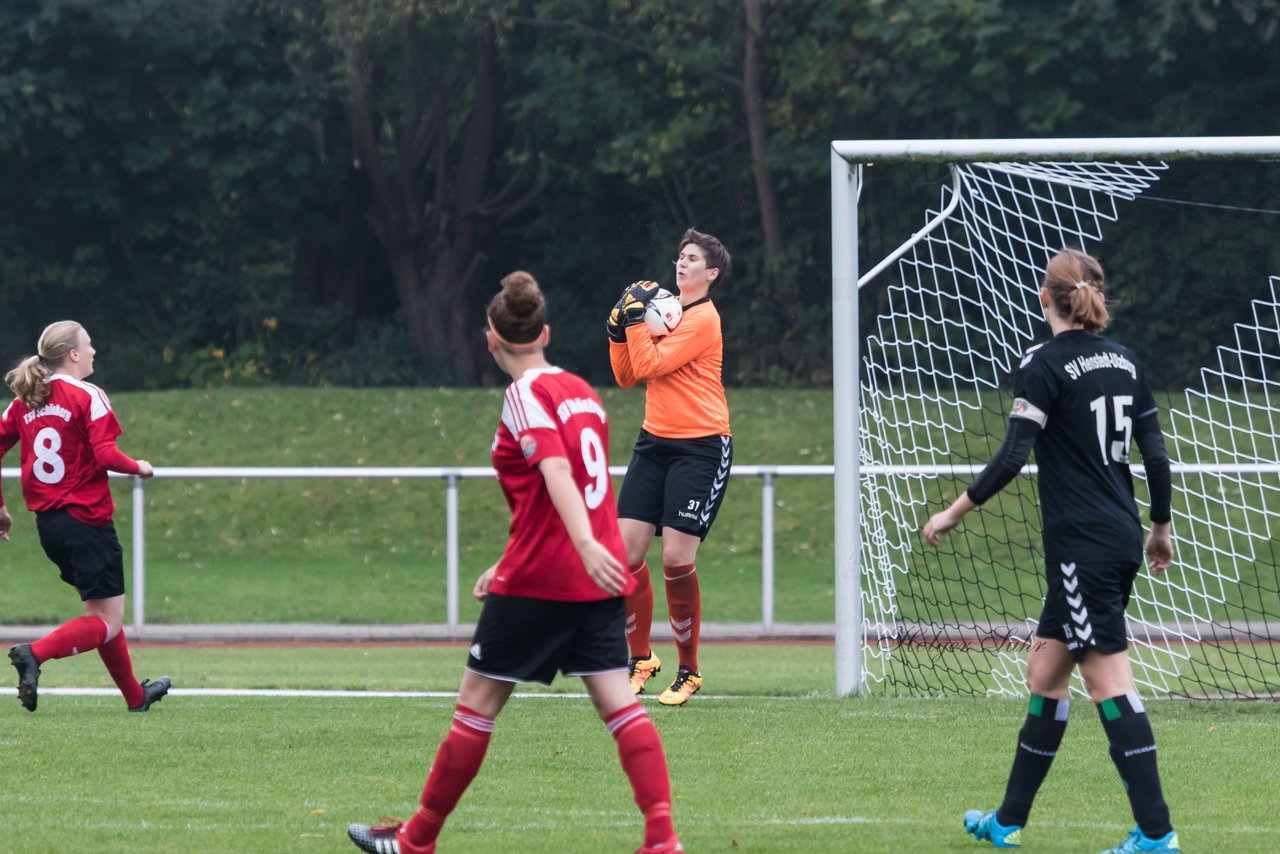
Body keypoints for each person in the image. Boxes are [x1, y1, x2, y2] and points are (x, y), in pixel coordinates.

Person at [348, 272, 683, 854]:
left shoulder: (523, 394)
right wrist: (519, 558)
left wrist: (570, 549)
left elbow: (556, 473)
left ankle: (415, 841)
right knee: (619, 704)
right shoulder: (582, 390)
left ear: (490, 341)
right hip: (593, 578)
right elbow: (561, 491)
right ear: (545, 333)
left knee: (477, 705)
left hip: (546, 578)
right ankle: (662, 841)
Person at [923, 249, 1179, 854]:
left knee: (1111, 685)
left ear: (1046, 298)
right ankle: (1007, 821)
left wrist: (954, 511)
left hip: (1082, 547)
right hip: (1118, 535)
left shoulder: (1042, 364)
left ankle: (1157, 833)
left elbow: (1014, 456)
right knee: (1044, 674)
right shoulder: (1124, 361)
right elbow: (1156, 456)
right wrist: (1160, 527)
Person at [1, 320, 170, 713]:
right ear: (73, 354)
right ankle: (34, 654)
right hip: (86, 521)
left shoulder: (26, 398)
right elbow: (106, 455)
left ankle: (135, 697)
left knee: (102, 614)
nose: (94, 352)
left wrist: (1, 509)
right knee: (106, 620)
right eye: (89, 345)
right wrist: (139, 466)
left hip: (51, 527)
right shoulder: (87, 394)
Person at [606, 228, 733, 706]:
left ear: (711, 273)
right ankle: (641, 660)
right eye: (681, 256)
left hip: (701, 446)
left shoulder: (703, 319)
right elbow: (626, 375)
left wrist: (636, 324)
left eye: (694, 258)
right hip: (654, 442)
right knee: (626, 555)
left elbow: (653, 365)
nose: (682, 264)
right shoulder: (666, 308)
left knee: (677, 560)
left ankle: (689, 670)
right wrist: (618, 332)